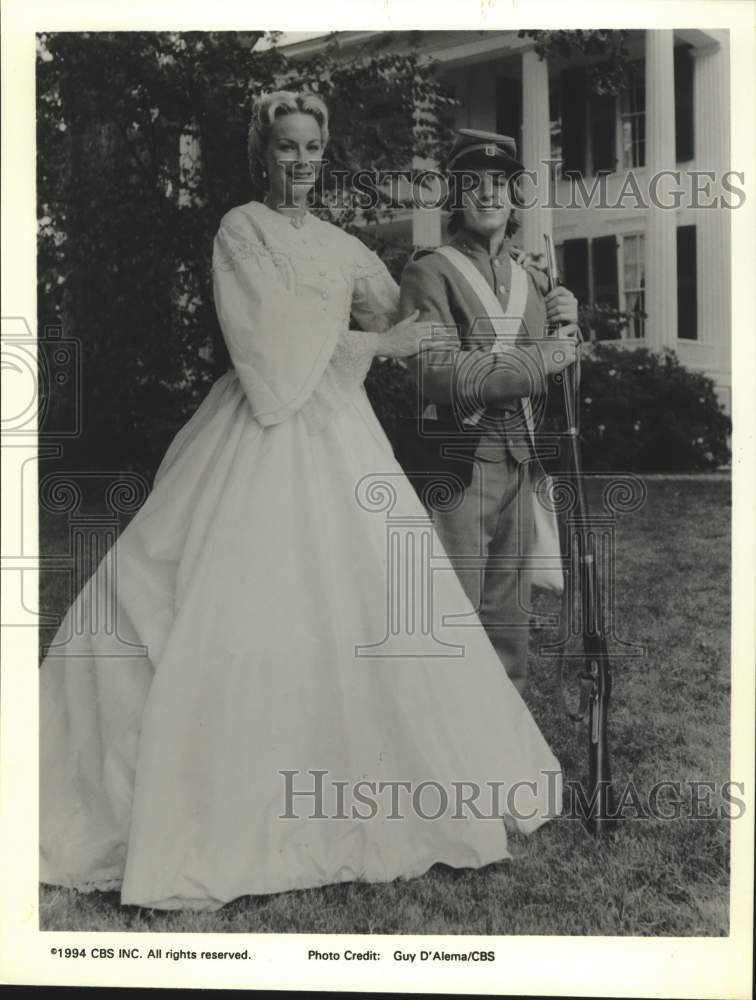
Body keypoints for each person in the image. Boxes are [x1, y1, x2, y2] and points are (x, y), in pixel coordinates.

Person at [39, 94, 562, 912]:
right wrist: (378, 343)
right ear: (264, 152)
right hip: (259, 432)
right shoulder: (240, 230)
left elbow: (420, 313)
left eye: (313, 148)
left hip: (341, 433)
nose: (301, 162)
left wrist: (514, 282)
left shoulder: (343, 245)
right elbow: (272, 352)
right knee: (238, 603)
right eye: (287, 147)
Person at [399, 128, 580, 697]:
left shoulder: (534, 279)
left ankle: (504, 730)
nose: (487, 194)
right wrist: (544, 357)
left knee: (508, 616)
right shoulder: (431, 271)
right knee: (452, 611)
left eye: (499, 183)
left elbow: (563, 383)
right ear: (456, 197)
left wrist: (571, 327)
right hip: (461, 460)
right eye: (472, 184)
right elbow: (437, 372)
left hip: (521, 458)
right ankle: (446, 732)